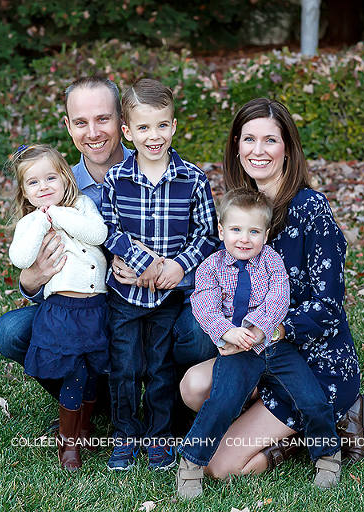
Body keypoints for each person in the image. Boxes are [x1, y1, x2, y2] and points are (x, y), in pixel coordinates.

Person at [0, 77, 217, 424]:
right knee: (11, 331)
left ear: (122, 123)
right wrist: (32, 279)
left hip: (161, 303)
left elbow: (202, 241)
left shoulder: (164, 168)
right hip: (89, 309)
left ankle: (176, 408)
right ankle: (92, 401)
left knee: (199, 331)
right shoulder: (56, 185)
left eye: (103, 119)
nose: (93, 132)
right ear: (68, 126)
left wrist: (163, 268)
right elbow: (36, 254)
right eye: (81, 122)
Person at [179, 98, 364, 487]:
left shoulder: (311, 209)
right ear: (236, 145)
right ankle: (294, 426)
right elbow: (216, 278)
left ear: (288, 148)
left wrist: (275, 329)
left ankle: (330, 420)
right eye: (249, 139)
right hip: (252, 351)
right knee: (193, 386)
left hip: (311, 359)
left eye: (271, 140)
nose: (258, 150)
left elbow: (328, 307)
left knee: (221, 467)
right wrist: (226, 330)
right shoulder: (242, 210)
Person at [175, 188, 343, 498]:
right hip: (237, 350)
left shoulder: (272, 261)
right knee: (221, 403)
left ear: (265, 235)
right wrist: (227, 332)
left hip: (273, 347)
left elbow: (278, 299)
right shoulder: (211, 268)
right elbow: (204, 305)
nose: (244, 238)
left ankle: (327, 457)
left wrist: (258, 328)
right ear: (222, 230)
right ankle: (191, 464)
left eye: (253, 231)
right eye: (236, 230)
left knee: (311, 398)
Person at [102, 78, 218, 472]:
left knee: (160, 369)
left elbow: (207, 236)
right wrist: (141, 262)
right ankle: (125, 435)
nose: (155, 136)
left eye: (162, 125)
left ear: (174, 125)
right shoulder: (117, 179)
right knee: (124, 368)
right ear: (127, 131)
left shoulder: (193, 179)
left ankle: (159, 437)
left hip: (168, 297)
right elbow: (109, 229)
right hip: (126, 295)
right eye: (144, 127)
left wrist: (178, 265)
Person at [6, 144, 109, 471]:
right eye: (33, 183)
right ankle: (68, 445)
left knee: (93, 372)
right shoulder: (30, 222)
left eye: (51, 177)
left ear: (65, 179)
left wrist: (60, 214)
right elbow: (20, 259)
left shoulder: (81, 205)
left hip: (96, 308)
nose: (44, 187)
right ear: (25, 192)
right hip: (62, 311)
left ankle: (84, 427)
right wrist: (41, 220)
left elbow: (98, 233)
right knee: (74, 373)